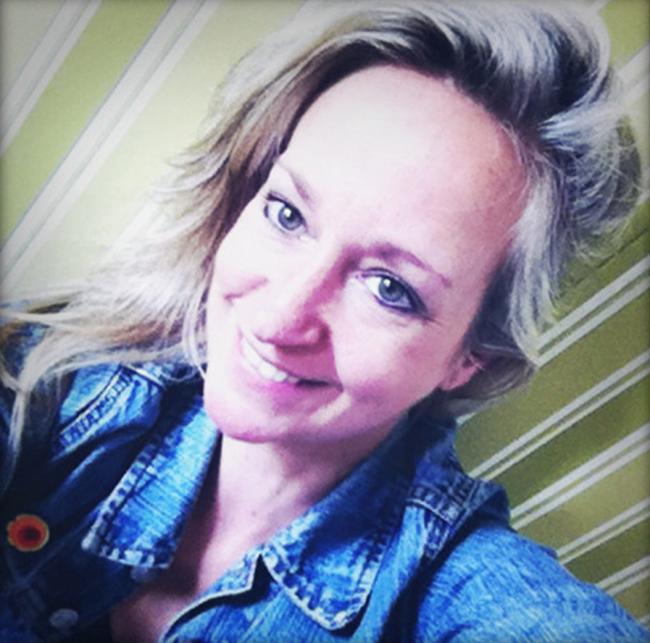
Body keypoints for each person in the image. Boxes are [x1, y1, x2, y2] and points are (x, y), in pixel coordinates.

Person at [0, 1, 647, 641]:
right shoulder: (66, 382)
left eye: (390, 288)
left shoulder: (456, 591)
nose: (280, 317)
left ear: (470, 358)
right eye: (287, 214)